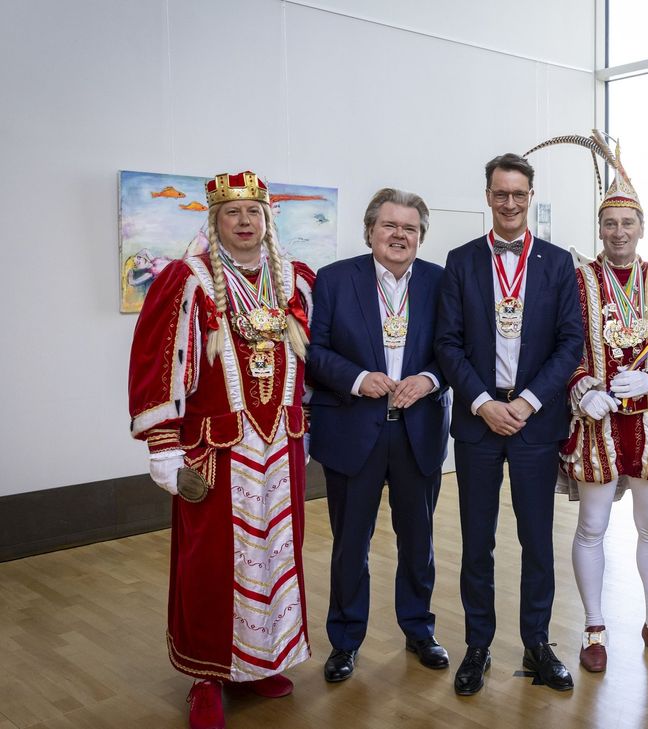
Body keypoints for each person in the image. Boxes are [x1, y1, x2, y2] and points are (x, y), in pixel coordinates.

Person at [128, 171, 313, 729]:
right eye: (232, 213)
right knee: (210, 564)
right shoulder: (188, 280)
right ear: (215, 220)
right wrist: (163, 447)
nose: (243, 222)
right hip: (217, 451)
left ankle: (262, 662)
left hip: (281, 446)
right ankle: (208, 674)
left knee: (278, 554)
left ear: (266, 220)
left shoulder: (292, 281)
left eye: (252, 212)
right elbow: (156, 364)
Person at [435, 153, 584, 695]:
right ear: (488, 197)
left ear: (530, 195)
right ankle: (478, 646)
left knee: (536, 541)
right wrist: (480, 401)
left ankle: (538, 644)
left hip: (534, 423)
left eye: (519, 194)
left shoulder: (558, 262)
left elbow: (572, 343)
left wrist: (526, 403)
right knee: (477, 541)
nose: (510, 203)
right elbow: (447, 344)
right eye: (501, 194)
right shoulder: (461, 260)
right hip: (478, 422)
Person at [559, 154, 648, 673]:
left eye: (627, 222)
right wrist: (580, 385)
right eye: (610, 223)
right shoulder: (575, 281)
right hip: (596, 425)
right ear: (599, 227)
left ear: (642, 226)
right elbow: (560, 345)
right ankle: (594, 626)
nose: (618, 232)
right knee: (592, 525)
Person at [307, 188, 451, 683]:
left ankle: (419, 628)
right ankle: (345, 641)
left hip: (419, 432)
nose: (399, 235)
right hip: (352, 431)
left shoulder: (440, 282)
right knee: (351, 543)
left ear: (421, 236)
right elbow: (315, 351)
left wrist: (431, 378)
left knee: (419, 541)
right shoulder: (333, 280)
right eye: (389, 225)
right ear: (370, 230)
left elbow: (456, 350)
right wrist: (357, 378)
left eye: (410, 228)